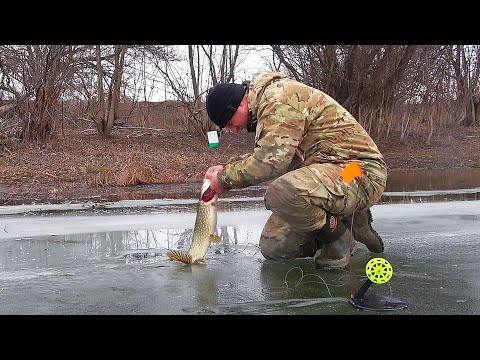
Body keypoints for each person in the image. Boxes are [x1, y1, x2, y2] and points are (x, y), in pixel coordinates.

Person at [204, 71, 387, 270]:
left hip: (358, 170)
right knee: (275, 247)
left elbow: (270, 162)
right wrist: (227, 168)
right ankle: (348, 219)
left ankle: (340, 237)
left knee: (281, 192)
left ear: (239, 104)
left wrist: (223, 180)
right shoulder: (267, 103)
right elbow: (266, 152)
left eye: (230, 122)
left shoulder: (279, 98)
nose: (235, 130)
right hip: (331, 173)